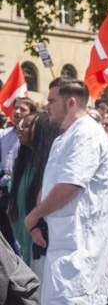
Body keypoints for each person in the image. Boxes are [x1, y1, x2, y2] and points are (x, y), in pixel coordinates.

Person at [23, 77, 108, 304]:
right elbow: (51, 184)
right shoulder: (64, 138)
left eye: (52, 101)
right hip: (59, 247)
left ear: (71, 102)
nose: (46, 107)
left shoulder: (87, 135)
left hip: (80, 252)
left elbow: (69, 186)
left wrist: (33, 215)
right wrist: (38, 223)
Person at [7, 112, 60, 270]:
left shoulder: (52, 165)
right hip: (25, 238)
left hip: (45, 241)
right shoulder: (23, 164)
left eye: (28, 125)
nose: (20, 129)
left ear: (43, 130)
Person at [0, 97, 36, 256]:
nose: (18, 112)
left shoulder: (32, 138)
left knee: (20, 236)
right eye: (16, 108)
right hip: (3, 190)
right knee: (6, 235)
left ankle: (22, 271)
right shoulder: (4, 134)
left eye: (23, 109)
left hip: (20, 190)